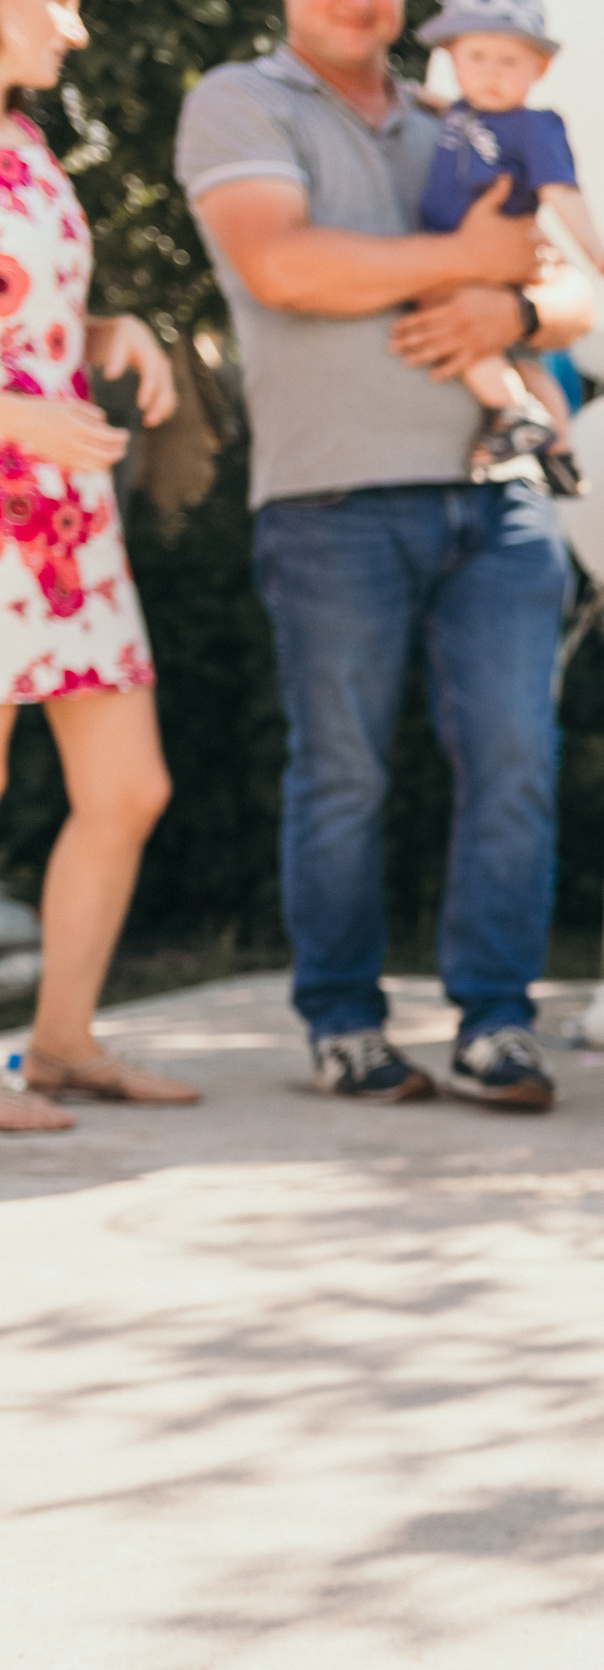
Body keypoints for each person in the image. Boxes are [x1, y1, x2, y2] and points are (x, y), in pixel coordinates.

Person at [178, 0, 593, 1110]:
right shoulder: (240, 101)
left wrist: (510, 303)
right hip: (332, 499)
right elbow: (285, 266)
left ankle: (497, 1023)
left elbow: (579, 287)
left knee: (516, 759)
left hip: (499, 492)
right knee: (344, 773)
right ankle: (345, 1022)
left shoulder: (468, 109)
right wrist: (466, 258)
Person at [0, 0, 197, 1131]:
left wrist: (110, 329)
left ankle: (63, 1041)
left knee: (129, 788)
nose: (74, 28)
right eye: (53, 2)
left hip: (64, 524)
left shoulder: (25, 141)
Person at [414, 0, 604, 493]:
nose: (491, 74)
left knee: (450, 322)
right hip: (461, 250)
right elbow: (455, 115)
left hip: (481, 258)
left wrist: (596, 248)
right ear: (452, 59)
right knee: (525, 363)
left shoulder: (535, 126)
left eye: (508, 62)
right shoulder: (462, 112)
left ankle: (512, 413)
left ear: (539, 68)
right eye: (476, 57)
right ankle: (561, 452)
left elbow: (561, 192)